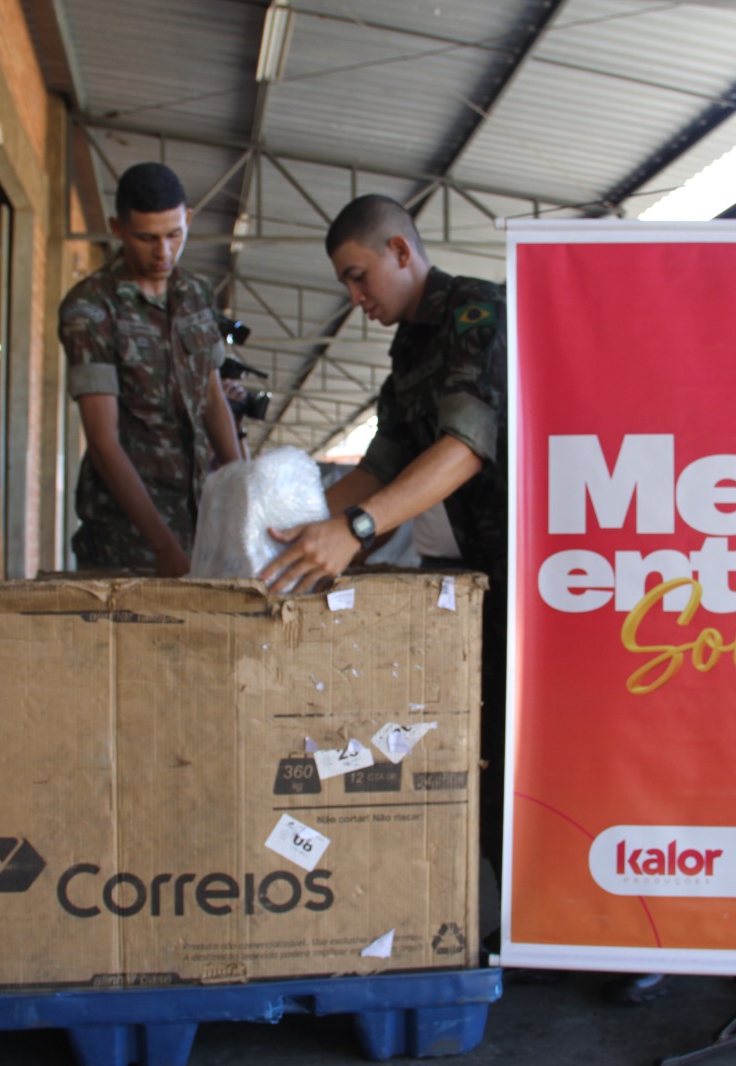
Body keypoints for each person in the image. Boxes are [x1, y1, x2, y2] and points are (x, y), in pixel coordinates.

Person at [258, 192, 511, 904]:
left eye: (358, 275)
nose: (355, 297)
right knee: (478, 748)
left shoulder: (475, 313)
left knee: (524, 752)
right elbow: (379, 467)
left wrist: (357, 530)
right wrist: (284, 536)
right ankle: (500, 912)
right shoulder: (408, 352)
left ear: (401, 251)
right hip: (472, 578)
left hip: (536, 574)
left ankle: (561, 927)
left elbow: (466, 445)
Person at [59, 162, 243, 574]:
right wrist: (163, 546)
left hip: (198, 514)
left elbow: (212, 398)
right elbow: (103, 441)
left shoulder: (196, 294)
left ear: (188, 219)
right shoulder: (91, 309)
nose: (163, 252)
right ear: (118, 229)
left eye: (174, 235)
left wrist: (243, 494)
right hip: (126, 535)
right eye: (146, 238)